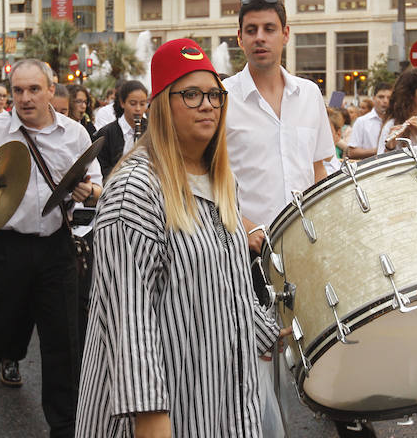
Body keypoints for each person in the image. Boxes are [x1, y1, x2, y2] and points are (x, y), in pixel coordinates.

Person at [76, 38, 285, 437]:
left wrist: (267, 330)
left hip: (217, 396)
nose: (207, 104)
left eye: (213, 94)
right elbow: (129, 320)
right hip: (162, 411)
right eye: (190, 94)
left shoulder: (222, 183)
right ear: (161, 107)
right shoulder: (135, 189)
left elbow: (228, 283)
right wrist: (152, 421)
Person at [0, 59, 102, 438]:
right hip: (2, 249)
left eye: (34, 89)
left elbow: (97, 187)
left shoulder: (75, 134)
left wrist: (87, 191)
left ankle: (64, 425)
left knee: (63, 342)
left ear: (51, 89)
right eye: (18, 91)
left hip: (55, 249)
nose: (25, 98)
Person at [223, 0, 336, 437]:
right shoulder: (222, 96)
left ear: (286, 34)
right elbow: (211, 179)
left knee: (316, 354)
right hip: (246, 252)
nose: (260, 38)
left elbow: (319, 168)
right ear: (239, 39)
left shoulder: (309, 94)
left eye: (269, 29)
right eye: (251, 30)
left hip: (304, 250)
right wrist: (244, 225)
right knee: (256, 370)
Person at [91, 80, 148, 181]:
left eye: (142, 104)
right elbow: (102, 169)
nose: (138, 109)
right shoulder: (106, 133)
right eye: (133, 103)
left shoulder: (151, 129)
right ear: (122, 103)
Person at [347, 83, 391, 159]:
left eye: (389, 98)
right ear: (373, 98)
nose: (385, 101)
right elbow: (352, 152)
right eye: (381, 97)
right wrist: (379, 150)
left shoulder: (397, 121)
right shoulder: (361, 122)